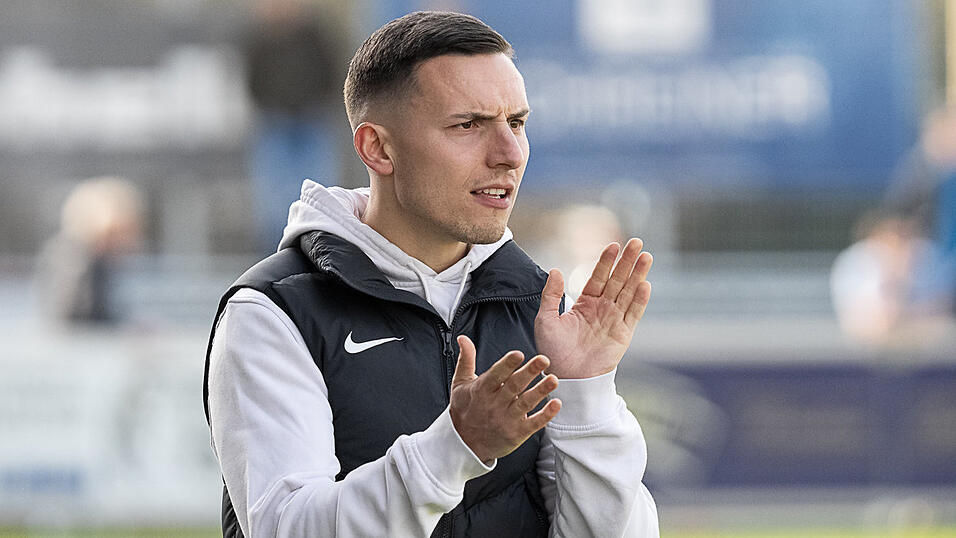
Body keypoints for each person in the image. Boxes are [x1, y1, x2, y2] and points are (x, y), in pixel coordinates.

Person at [204, 11, 659, 537]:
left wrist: (587, 397)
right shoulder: (274, 311)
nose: (509, 155)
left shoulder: (537, 306)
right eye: (468, 125)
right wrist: (456, 446)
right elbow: (288, 528)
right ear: (378, 148)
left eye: (517, 123)